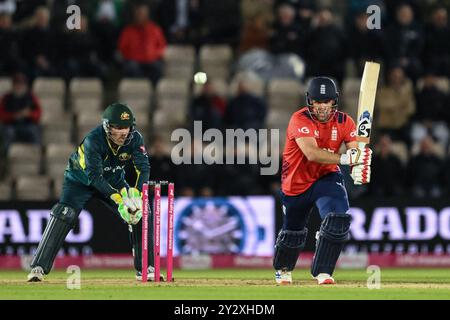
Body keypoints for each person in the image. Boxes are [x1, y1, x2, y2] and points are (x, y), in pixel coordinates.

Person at [27, 103, 159, 282]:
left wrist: (137, 194)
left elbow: (143, 169)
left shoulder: (135, 139)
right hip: (79, 181)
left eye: (126, 128)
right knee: (64, 214)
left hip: (114, 179)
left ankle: (146, 268)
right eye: (118, 128)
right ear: (107, 127)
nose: (123, 133)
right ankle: (38, 268)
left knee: (141, 210)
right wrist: (120, 200)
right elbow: (95, 177)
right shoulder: (93, 140)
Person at [274, 77, 372, 285]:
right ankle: (283, 269)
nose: (321, 107)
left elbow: (355, 150)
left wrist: (360, 166)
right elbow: (311, 153)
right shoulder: (299, 119)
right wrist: (347, 159)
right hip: (296, 182)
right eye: (317, 101)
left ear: (334, 101)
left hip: (326, 177)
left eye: (325, 101)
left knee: (338, 219)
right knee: (293, 231)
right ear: (310, 101)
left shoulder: (345, 121)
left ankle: (323, 271)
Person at [0, 73, 41, 155]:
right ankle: (5, 158)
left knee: (33, 131)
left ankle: (35, 156)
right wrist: (14, 116)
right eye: (17, 84)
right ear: (13, 85)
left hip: (27, 124)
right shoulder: (6, 98)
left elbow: (38, 113)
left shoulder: (31, 97)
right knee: (8, 132)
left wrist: (29, 114)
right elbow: (2, 115)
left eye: (21, 84)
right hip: (11, 125)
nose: (19, 86)